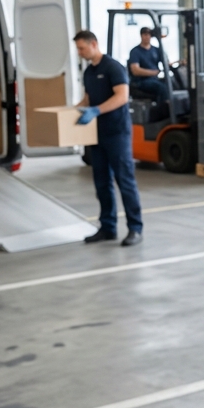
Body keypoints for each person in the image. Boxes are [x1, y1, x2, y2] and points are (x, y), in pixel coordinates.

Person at [73, 30, 143, 247]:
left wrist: (97, 111)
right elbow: (87, 99)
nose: (80, 52)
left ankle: (135, 228)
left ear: (94, 44)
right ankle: (108, 228)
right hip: (97, 135)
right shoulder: (89, 72)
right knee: (101, 183)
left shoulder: (113, 67)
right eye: (78, 49)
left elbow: (122, 97)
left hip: (117, 133)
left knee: (125, 181)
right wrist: (70, 112)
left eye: (82, 48)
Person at [127, 26, 169, 103]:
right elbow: (135, 70)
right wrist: (153, 72)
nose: (147, 37)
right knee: (161, 87)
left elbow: (166, 63)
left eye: (149, 35)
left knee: (171, 83)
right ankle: (164, 109)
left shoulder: (156, 50)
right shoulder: (135, 51)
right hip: (141, 82)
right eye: (145, 35)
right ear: (141, 36)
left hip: (154, 79)